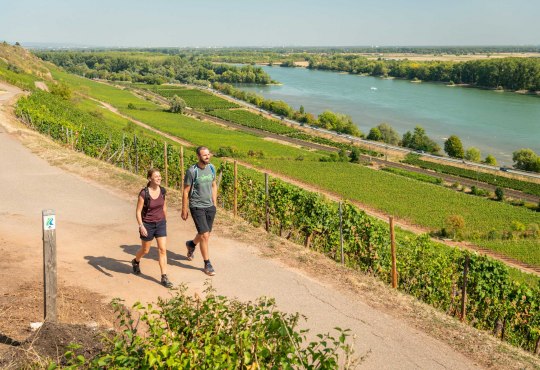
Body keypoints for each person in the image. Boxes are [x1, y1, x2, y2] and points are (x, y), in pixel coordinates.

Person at [132, 168, 173, 288]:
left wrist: (165, 220)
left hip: (160, 224)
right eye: (156, 176)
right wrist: (141, 226)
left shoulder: (163, 191)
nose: (159, 178)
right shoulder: (144, 193)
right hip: (147, 225)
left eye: (160, 176)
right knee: (145, 250)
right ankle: (136, 261)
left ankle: (164, 276)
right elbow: (138, 211)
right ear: (150, 179)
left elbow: (164, 206)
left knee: (162, 249)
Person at [182, 146, 217, 276]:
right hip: (196, 206)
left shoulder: (212, 168)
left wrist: (215, 203)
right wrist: (184, 209)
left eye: (208, 154)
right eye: (204, 155)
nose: (207, 157)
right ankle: (207, 263)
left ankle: (191, 244)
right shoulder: (192, 171)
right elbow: (186, 191)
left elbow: (214, 185)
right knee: (205, 235)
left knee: (205, 233)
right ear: (198, 156)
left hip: (210, 206)